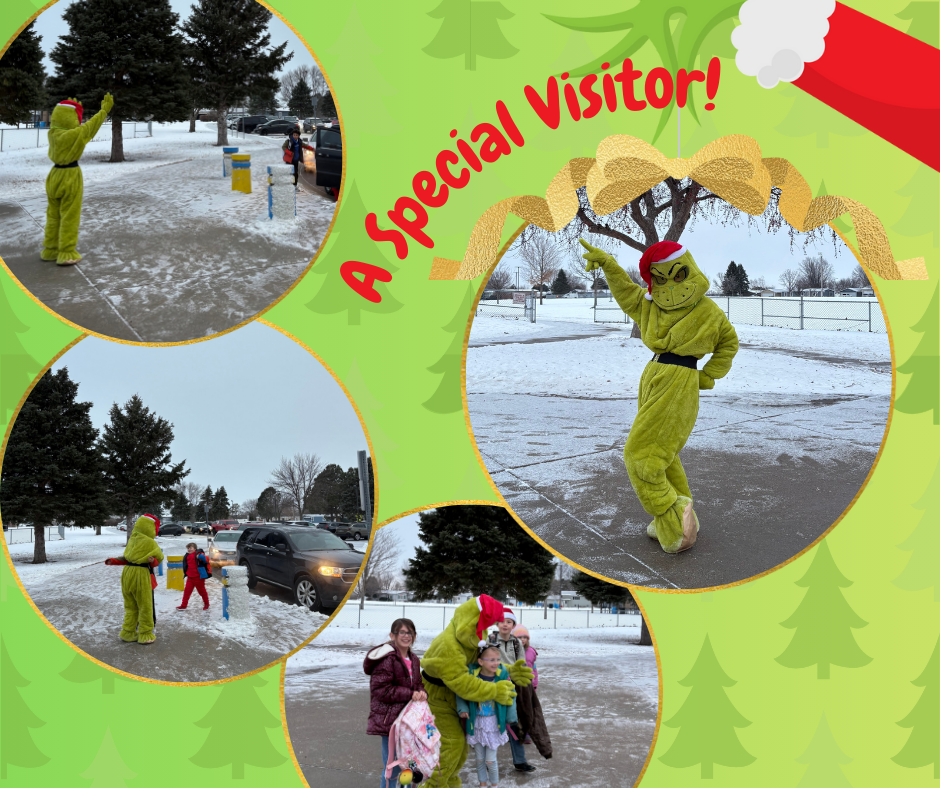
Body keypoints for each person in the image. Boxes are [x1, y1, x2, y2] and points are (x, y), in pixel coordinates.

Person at [580, 238, 739, 553]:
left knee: (641, 457)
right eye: (661, 279)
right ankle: (686, 517)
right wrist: (610, 265)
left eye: (678, 275)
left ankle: (673, 522)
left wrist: (707, 375)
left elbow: (728, 343)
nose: (672, 286)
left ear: (689, 268)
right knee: (663, 456)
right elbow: (627, 293)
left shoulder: (709, 311)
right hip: (654, 375)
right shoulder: (649, 305)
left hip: (678, 381)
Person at [42, 93, 113, 265]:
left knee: (53, 215)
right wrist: (104, 111)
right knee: (69, 215)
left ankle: (50, 249)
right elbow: (92, 126)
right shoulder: (75, 135)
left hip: (53, 176)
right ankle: (66, 252)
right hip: (70, 175)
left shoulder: (52, 134)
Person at [364, 618, 427, 788]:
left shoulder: (413, 659)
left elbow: (418, 682)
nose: (407, 636)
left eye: (410, 632)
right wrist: (410, 694)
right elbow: (380, 689)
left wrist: (421, 692)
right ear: (393, 635)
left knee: (410, 765)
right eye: (402, 632)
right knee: (392, 766)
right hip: (391, 721)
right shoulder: (387, 658)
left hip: (409, 721)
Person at [457, 645, 518, 788]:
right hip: (476, 723)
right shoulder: (473, 677)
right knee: (479, 759)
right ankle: (483, 784)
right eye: (491, 660)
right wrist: (463, 709)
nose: (496, 663)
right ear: (480, 662)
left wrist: (511, 716)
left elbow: (511, 696)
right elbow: (461, 692)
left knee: (490, 760)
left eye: (497, 659)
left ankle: (494, 785)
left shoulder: (503, 677)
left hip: (493, 724)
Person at [486, 610, 537, 772]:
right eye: (502, 621)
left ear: (513, 625)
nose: (505, 624)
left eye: (509, 622)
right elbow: (485, 660)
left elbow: (521, 665)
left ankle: (520, 761)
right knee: (490, 724)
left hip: (511, 689)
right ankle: (488, 761)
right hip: (493, 687)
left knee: (514, 723)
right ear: (497, 624)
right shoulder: (491, 639)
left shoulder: (516, 643)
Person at [118, 514, 164, 645]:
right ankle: (145, 634)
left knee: (130, 605)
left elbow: (126, 555)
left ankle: (128, 632)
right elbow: (159, 558)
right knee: (145, 605)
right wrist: (153, 560)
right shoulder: (150, 542)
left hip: (127, 573)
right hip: (140, 574)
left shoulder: (132, 539)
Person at [177, 542, 211, 611]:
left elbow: (206, 559)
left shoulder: (198, 554)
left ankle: (206, 604)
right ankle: (183, 605)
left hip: (199, 577)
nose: (189, 549)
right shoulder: (187, 556)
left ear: (195, 549)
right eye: (188, 548)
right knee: (187, 592)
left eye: (191, 548)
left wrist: (199, 556)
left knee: (202, 592)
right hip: (190, 577)